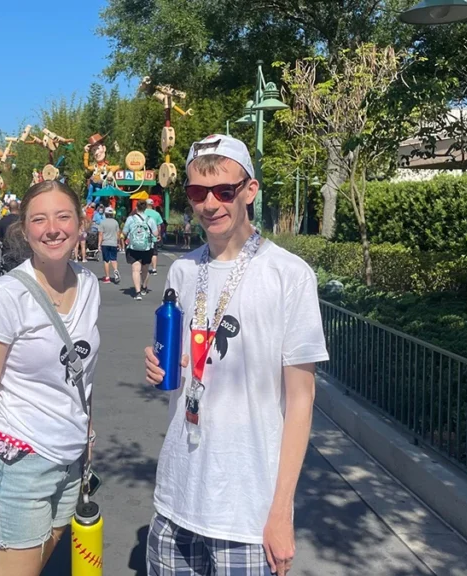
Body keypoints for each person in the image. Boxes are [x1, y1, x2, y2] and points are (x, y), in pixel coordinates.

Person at [142, 134, 329, 576]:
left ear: (249, 190)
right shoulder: (184, 270)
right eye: (196, 192)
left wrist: (281, 512)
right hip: (176, 499)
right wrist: (157, 365)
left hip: (248, 513)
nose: (210, 204)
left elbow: (301, 400)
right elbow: (189, 364)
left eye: (224, 191)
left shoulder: (289, 275)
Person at [0, 180, 101, 575]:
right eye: (39, 219)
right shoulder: (5, 298)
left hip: (72, 461)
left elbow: (83, 374)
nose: (52, 228)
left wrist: (87, 433)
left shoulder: (90, 286)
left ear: (80, 223)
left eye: (63, 216)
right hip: (20, 466)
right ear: (25, 228)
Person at [122, 200, 157, 300]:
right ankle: (144, 287)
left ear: (136, 208)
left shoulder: (130, 219)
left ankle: (137, 292)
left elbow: (124, 232)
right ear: (146, 208)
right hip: (147, 247)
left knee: (135, 269)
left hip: (133, 247)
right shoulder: (150, 220)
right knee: (145, 268)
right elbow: (155, 234)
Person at [98, 206, 121, 284]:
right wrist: (118, 243)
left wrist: (99, 244)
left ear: (105, 214)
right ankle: (115, 270)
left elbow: (100, 234)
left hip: (105, 243)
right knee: (114, 259)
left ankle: (107, 277)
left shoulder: (103, 222)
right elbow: (118, 233)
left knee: (106, 260)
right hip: (113, 242)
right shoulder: (115, 222)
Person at [144, 198, 165, 275]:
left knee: (143, 252)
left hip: (143, 236)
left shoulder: (142, 213)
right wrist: (159, 235)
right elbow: (159, 226)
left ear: (145, 204)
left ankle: (143, 268)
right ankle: (154, 269)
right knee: (154, 253)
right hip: (153, 236)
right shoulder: (156, 214)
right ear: (152, 205)